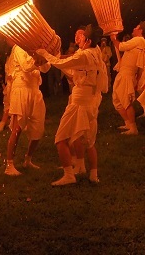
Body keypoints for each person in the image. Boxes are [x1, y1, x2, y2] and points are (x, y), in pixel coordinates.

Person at [35, 25, 107, 186]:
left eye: (82, 38)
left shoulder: (85, 55)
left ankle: (68, 175)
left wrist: (44, 53)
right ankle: (92, 174)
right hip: (91, 102)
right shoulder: (96, 52)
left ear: (88, 41)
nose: (79, 40)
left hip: (79, 102)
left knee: (61, 139)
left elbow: (61, 63)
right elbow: (76, 71)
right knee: (88, 141)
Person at [3, 40, 50, 176]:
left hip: (35, 89)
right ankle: (9, 164)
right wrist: (38, 59)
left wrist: (44, 57)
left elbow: (46, 68)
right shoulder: (19, 48)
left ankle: (28, 160)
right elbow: (25, 66)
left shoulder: (37, 47)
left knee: (38, 128)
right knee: (17, 128)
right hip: (21, 88)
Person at [109, 21, 145, 135]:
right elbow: (140, 63)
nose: (134, 28)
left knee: (126, 102)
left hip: (127, 74)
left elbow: (121, 46)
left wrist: (113, 38)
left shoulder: (138, 40)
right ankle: (128, 123)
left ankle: (133, 128)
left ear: (141, 31)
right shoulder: (141, 42)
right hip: (125, 73)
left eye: (136, 27)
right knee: (117, 100)